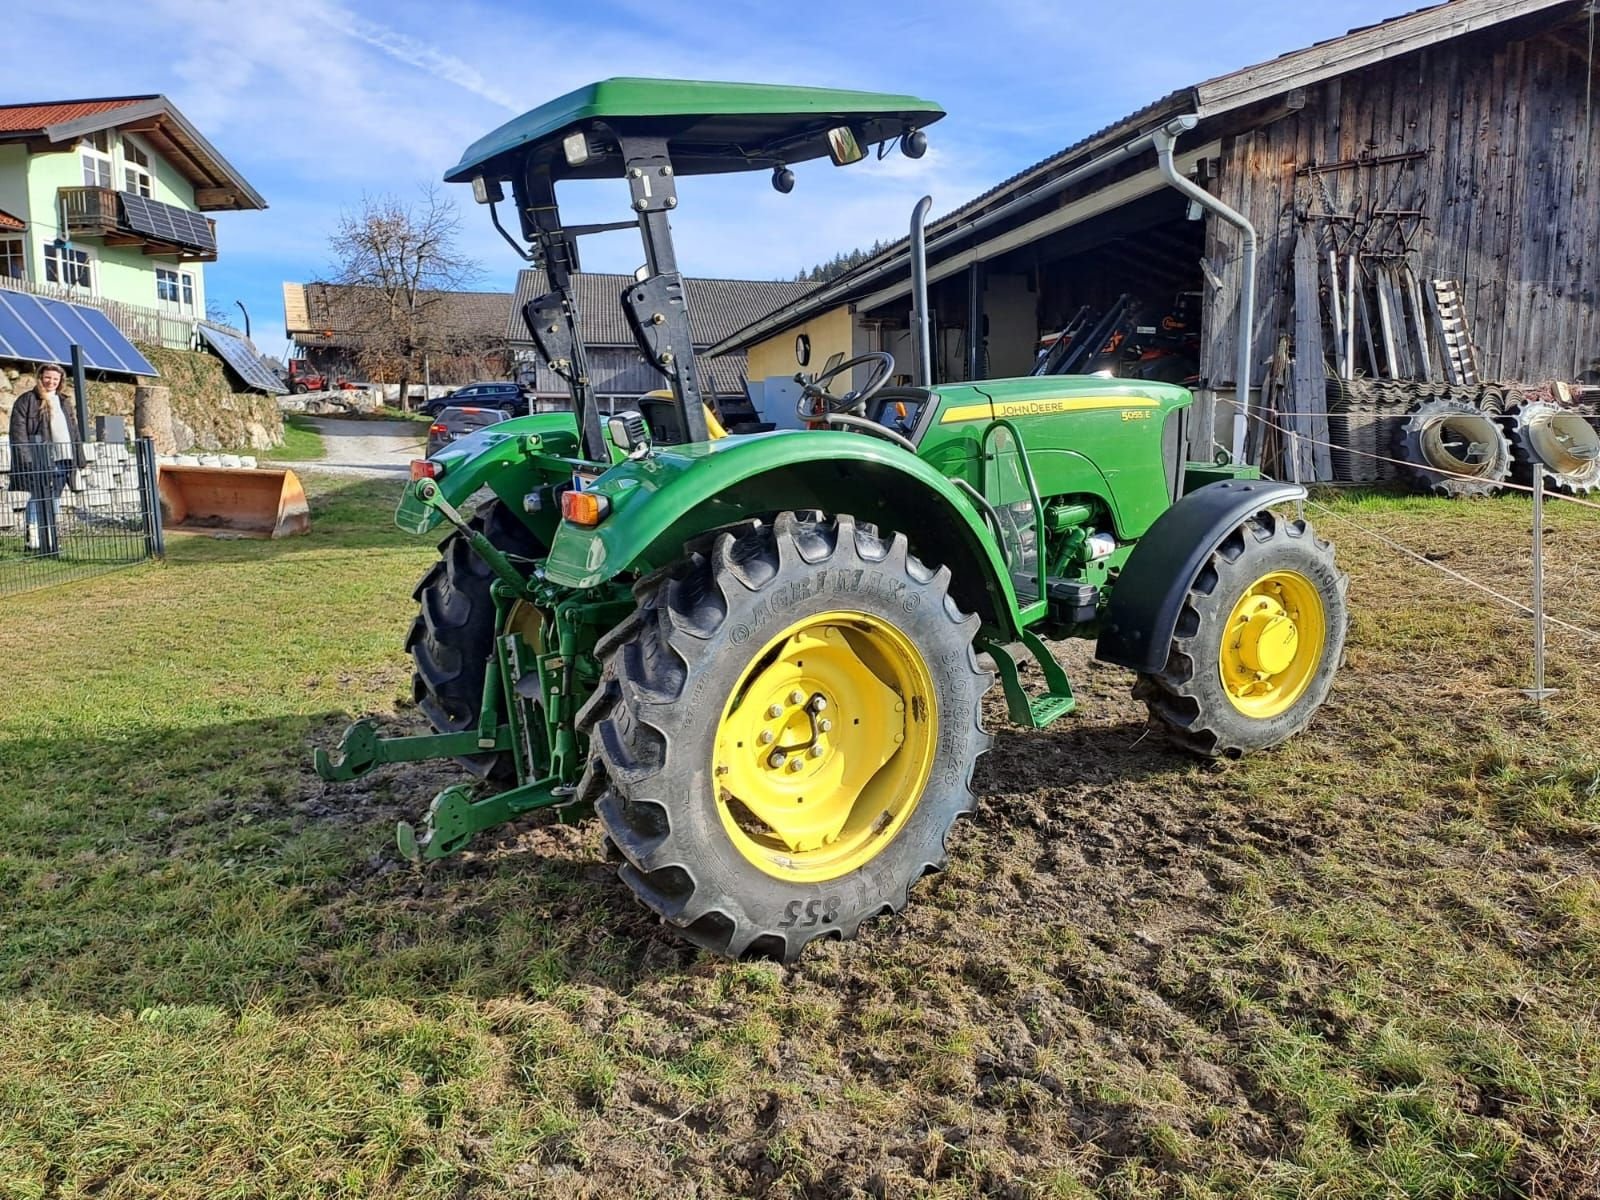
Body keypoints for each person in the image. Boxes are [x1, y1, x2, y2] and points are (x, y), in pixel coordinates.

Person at [8, 363, 86, 557]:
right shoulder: (27, 401)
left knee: (55, 497)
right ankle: (34, 538)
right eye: (47, 377)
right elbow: (18, 433)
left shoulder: (64, 401)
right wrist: (27, 460)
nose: (51, 381)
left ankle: (50, 535)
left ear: (60, 381)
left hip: (64, 458)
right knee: (38, 496)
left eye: (55, 379)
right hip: (41, 459)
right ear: (40, 377)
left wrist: (79, 457)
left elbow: (74, 431)